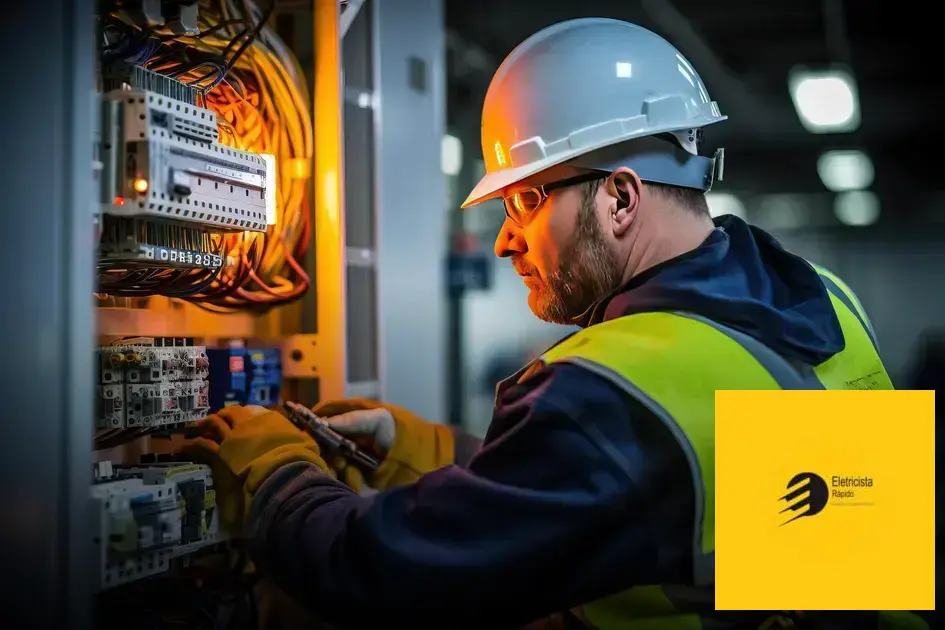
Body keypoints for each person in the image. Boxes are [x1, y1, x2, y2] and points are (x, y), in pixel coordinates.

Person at [185, 18, 927, 630]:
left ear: (621, 198)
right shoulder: (814, 302)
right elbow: (699, 491)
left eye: (527, 200)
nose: (504, 239)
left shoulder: (612, 388)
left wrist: (276, 471)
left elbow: (380, 575)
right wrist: (426, 451)